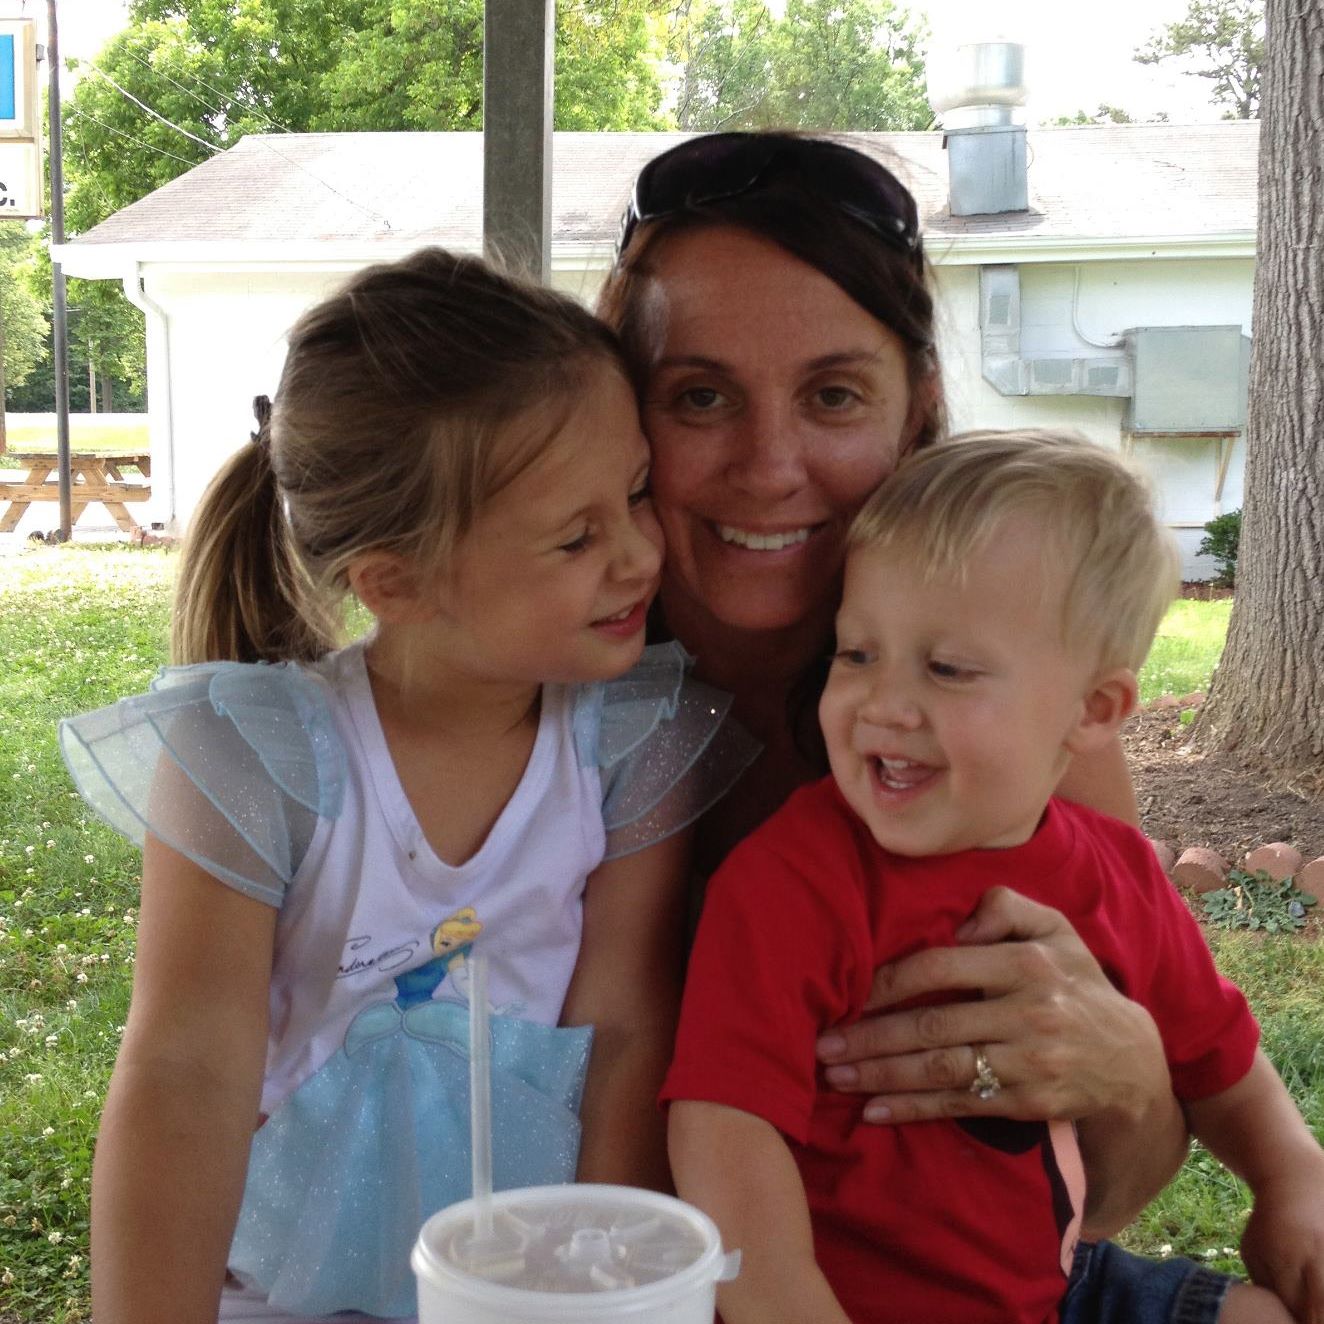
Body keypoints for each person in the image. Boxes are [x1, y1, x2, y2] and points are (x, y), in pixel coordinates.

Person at [599, 132, 1324, 1316]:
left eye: (833, 394)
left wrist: (1131, 1075)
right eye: (700, 396)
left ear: (917, 407)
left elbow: (1107, 1190)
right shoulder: (547, 711)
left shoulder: (1042, 745)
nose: (769, 466)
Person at [59, 249, 753, 1324]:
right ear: (396, 580)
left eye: (632, 496)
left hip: (532, 1283)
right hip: (277, 1290)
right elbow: (186, 1070)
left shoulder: (627, 743)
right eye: (577, 537)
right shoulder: (256, 759)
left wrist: (590, 1293)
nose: (638, 555)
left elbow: (624, 1030)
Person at [662, 430, 1324, 1324]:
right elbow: (723, 1133)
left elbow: (1222, 1063)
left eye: (946, 668)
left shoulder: (1118, 873)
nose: (883, 702)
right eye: (855, 654)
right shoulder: (792, 880)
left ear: (1094, 710)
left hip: (1056, 1287)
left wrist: (1292, 1178)